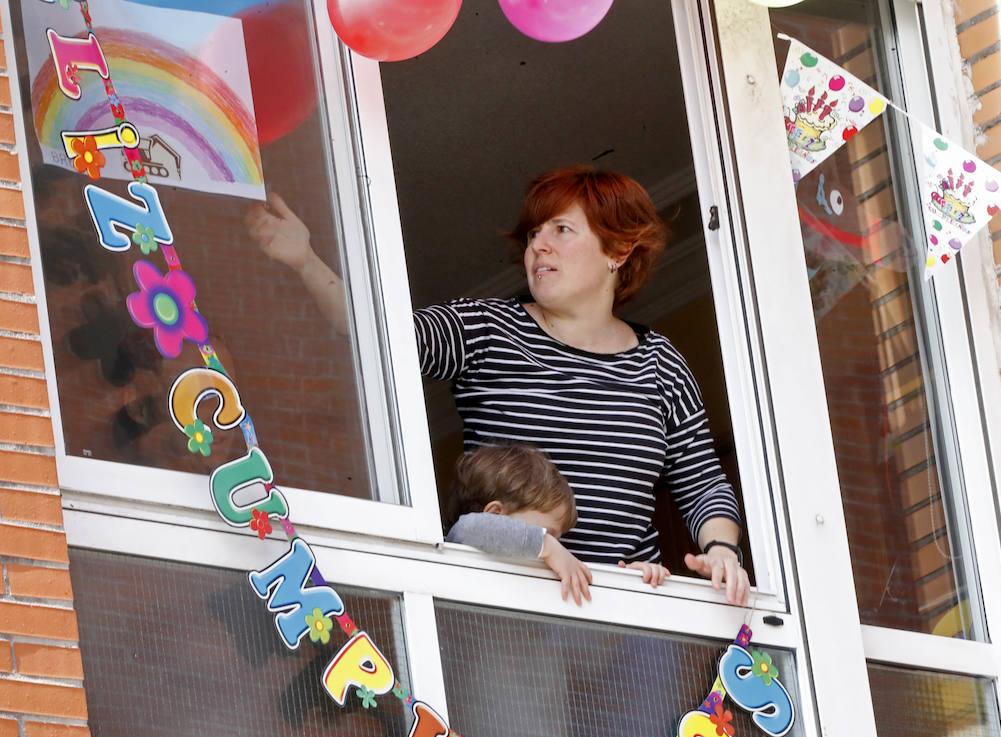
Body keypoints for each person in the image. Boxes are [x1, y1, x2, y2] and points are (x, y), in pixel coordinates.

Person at [247, 166, 751, 606]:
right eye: (534, 234)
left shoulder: (660, 362)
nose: (539, 246)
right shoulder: (488, 329)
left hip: (628, 611)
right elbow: (382, 335)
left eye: (561, 229)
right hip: (509, 601)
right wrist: (305, 261)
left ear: (618, 250)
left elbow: (703, 481)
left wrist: (722, 552)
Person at [447, 444, 670, 606]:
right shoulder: (462, 544)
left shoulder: (541, 574)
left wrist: (627, 582)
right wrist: (546, 544)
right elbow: (471, 527)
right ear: (495, 514)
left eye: (556, 539)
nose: (557, 547)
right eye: (548, 534)